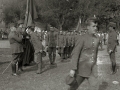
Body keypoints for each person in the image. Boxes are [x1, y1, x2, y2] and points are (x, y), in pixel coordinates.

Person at [68, 17, 100, 90]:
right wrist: (73, 68)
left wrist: (95, 64)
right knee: (73, 87)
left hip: (92, 69)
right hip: (81, 68)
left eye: (96, 26)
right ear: (88, 27)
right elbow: (75, 53)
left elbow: (95, 53)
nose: (95, 28)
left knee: (94, 87)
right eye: (93, 26)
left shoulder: (97, 38)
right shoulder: (82, 38)